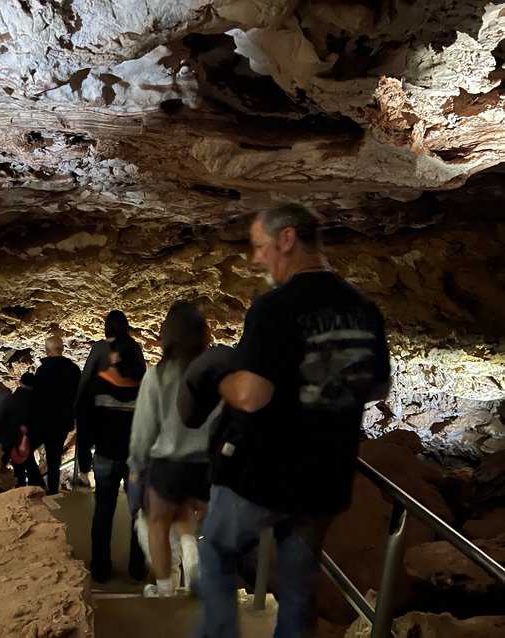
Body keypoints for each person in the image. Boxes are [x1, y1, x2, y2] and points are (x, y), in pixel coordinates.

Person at [192, 204, 391, 638]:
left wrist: (218, 375)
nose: (256, 259)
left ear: (287, 239)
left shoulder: (275, 307)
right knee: (299, 587)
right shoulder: (363, 308)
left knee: (217, 551)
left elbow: (250, 395)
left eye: (260, 247)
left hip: (265, 473)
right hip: (327, 476)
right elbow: (377, 388)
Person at [129, 301, 214, 597]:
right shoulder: (211, 375)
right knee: (186, 518)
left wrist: (136, 467)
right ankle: (192, 563)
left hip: (167, 462)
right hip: (203, 465)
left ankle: (165, 588)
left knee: (158, 523)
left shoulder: (157, 375)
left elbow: (144, 428)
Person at [76, 338, 147, 583]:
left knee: (103, 511)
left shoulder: (98, 384)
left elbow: (85, 425)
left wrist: (84, 463)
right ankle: (137, 569)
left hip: (105, 455)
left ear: (116, 357)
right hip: (135, 458)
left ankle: (101, 568)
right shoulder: (144, 387)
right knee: (138, 512)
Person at [75, 310, 147, 484]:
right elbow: (143, 377)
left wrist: (77, 406)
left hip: (103, 412)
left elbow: (86, 378)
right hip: (129, 415)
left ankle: (86, 472)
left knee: (95, 445)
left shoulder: (101, 347)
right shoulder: (134, 347)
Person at [32, 336, 81, 495]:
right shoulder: (73, 370)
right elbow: (77, 396)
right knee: (54, 457)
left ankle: (36, 483)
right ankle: (52, 490)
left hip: (43, 420)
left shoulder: (42, 370)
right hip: (63, 421)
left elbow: (36, 398)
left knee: (25, 451)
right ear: (62, 349)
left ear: (47, 351)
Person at [0, 372, 45, 488]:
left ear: (20, 382)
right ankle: (37, 488)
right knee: (28, 463)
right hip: (28, 438)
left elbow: (3, 417)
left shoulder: (12, 398)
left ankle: (23, 488)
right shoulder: (37, 401)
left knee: (20, 466)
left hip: (13, 437)